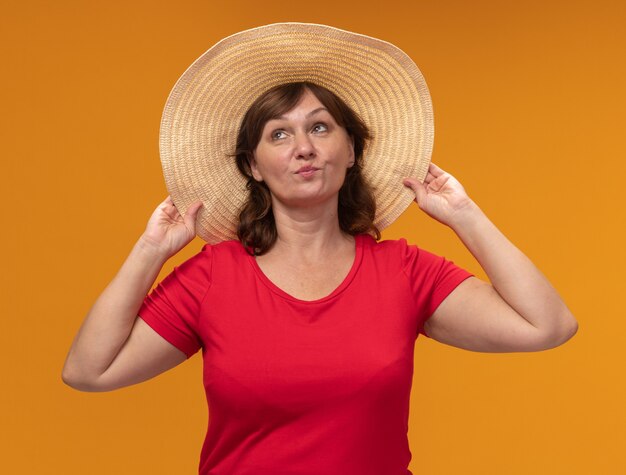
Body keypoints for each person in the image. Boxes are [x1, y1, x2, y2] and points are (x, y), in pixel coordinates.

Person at [62, 23, 577, 475]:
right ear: (253, 166)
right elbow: (88, 371)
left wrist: (464, 214)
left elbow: (547, 325)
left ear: (350, 150)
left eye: (319, 127)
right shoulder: (213, 276)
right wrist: (152, 249)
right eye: (279, 134)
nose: (303, 147)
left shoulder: (403, 270)